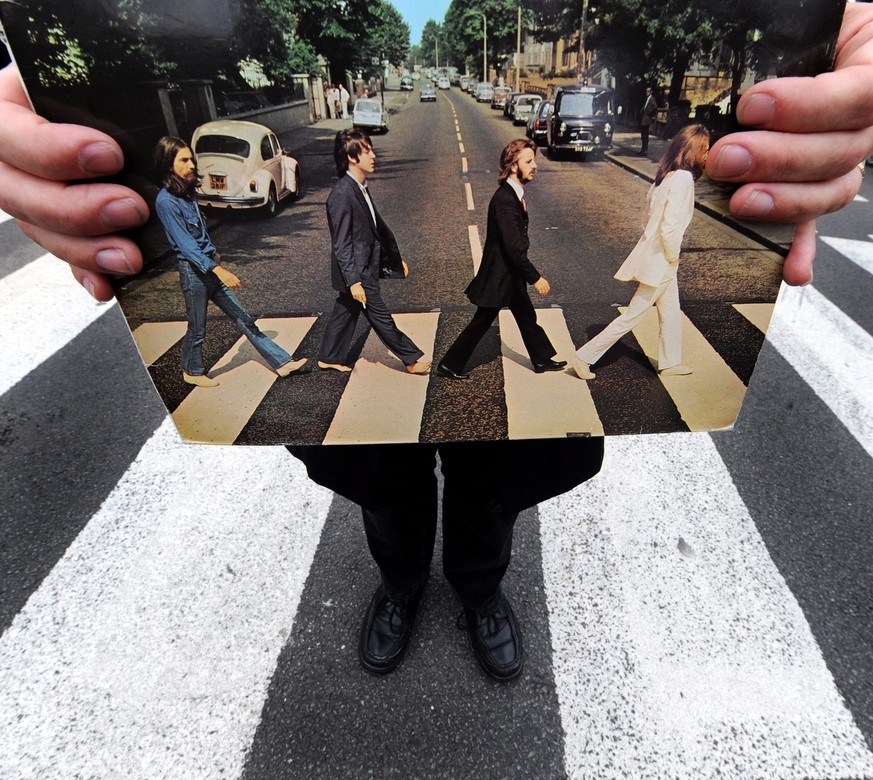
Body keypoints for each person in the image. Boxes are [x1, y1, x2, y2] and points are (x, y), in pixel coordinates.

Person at [2, 1, 873, 677]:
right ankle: (401, 579)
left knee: (494, 476)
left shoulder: (446, 187)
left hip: (472, 315)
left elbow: (387, 232)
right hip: (411, 312)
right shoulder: (399, 187)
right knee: (383, 476)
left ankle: (479, 587)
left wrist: (838, 37)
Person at [152, 136, 307, 387]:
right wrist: (218, 269)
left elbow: (199, 234)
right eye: (184, 160)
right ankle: (192, 371)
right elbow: (187, 246)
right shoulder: (166, 201)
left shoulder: (186, 193)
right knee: (198, 328)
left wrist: (214, 255)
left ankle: (282, 363)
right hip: (194, 273)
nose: (191, 164)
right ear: (169, 165)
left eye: (191, 158)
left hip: (209, 266)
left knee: (244, 318)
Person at [572, 125, 710, 381]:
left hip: (656, 257)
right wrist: (672, 256)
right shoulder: (683, 180)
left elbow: (646, 220)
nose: (707, 154)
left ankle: (670, 363)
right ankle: (584, 356)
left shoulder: (665, 177)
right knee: (633, 315)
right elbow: (670, 227)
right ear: (693, 150)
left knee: (670, 310)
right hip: (663, 261)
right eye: (705, 149)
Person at [438, 138, 566, 379]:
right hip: (500, 275)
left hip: (509, 274)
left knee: (526, 315)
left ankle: (541, 359)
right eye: (528, 161)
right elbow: (513, 247)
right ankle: (449, 364)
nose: (534, 165)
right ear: (514, 166)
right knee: (482, 321)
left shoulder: (513, 195)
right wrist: (535, 277)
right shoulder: (505, 200)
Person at [317, 129, 430, 375]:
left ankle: (329, 356)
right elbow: (342, 243)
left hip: (365, 264)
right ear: (351, 157)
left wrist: (394, 258)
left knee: (346, 309)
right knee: (380, 315)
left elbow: (373, 230)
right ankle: (410, 358)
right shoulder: (341, 195)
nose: (373, 156)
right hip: (358, 270)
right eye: (367, 151)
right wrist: (354, 281)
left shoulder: (359, 187)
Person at [640, 86, 658, 156]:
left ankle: (645, 151)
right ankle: (642, 150)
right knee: (643, 136)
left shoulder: (652, 99)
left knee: (645, 136)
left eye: (648, 91)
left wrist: (648, 113)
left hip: (646, 120)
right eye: (646, 91)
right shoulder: (647, 99)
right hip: (643, 120)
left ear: (651, 92)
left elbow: (655, 107)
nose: (647, 92)